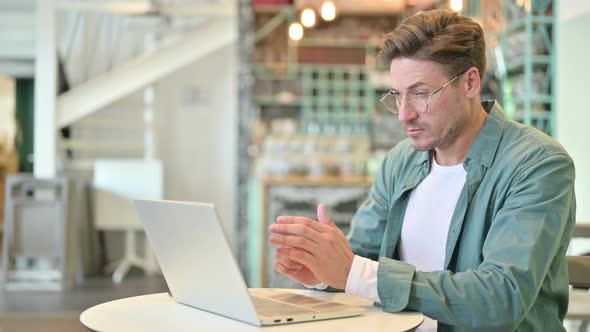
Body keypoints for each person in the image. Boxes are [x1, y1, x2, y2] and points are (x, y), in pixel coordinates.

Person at [268, 8, 576, 331]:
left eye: (419, 94)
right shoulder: (400, 161)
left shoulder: (538, 164)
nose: (403, 115)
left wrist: (356, 273)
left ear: (470, 82)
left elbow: (502, 297)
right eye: (397, 96)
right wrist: (323, 273)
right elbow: (358, 258)